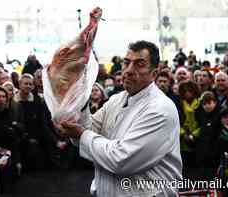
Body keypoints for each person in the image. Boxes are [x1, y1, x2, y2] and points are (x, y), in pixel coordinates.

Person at [56, 40, 182, 196]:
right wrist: (79, 100)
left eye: (139, 64)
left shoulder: (160, 109)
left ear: (154, 74)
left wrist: (80, 134)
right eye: (126, 63)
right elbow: (88, 132)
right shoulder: (117, 99)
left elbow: (122, 159)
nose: (129, 70)